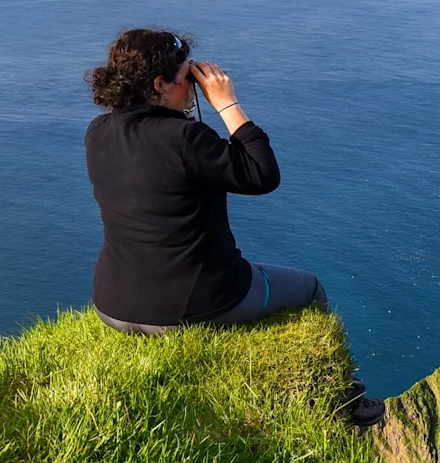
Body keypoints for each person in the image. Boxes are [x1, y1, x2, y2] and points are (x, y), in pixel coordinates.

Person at [83, 29, 383, 423]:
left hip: (112, 304)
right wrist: (227, 104)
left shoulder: (97, 132)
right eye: (186, 77)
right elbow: (263, 175)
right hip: (196, 304)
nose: (194, 87)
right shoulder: (185, 138)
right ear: (159, 84)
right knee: (310, 287)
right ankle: (346, 401)